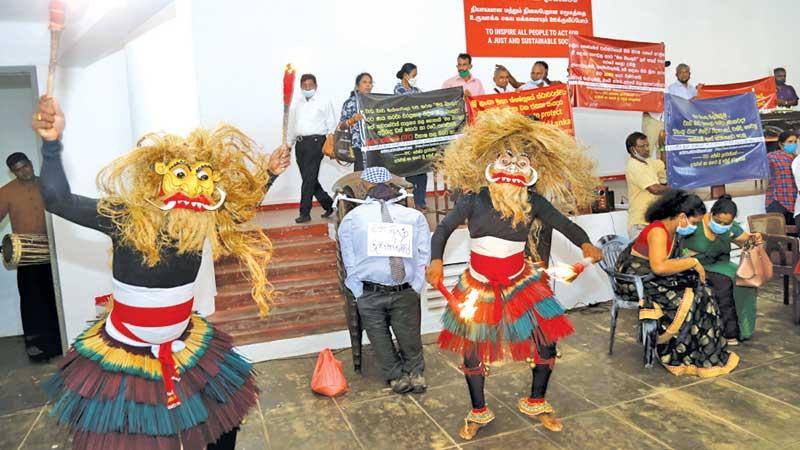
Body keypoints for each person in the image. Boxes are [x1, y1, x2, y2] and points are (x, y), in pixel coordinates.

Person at [32, 95, 291, 450]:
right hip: (124, 352)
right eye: (181, 177)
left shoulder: (203, 219)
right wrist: (51, 144)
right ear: (159, 180)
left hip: (184, 343)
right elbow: (57, 199)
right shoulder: (124, 216)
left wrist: (270, 173)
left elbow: (238, 212)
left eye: (201, 178)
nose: (192, 188)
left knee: (222, 425)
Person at [427, 108, 602, 439]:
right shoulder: (474, 199)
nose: (512, 166)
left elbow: (564, 224)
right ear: (492, 165)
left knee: (546, 345)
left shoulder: (533, 201)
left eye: (520, 161)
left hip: (521, 283)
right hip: (478, 286)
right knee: (473, 351)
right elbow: (444, 229)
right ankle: (478, 410)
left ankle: (536, 401)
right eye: (505, 159)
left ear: (531, 170)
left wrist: (586, 243)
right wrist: (436, 260)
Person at [615, 189, 739, 377]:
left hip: (653, 275)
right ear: (682, 216)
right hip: (637, 280)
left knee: (704, 292)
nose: (694, 226)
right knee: (690, 298)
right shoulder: (658, 231)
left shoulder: (673, 230)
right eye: (694, 222)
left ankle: (703, 354)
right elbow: (658, 267)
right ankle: (678, 353)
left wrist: (691, 263)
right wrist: (692, 262)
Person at [337, 167, 430, 394]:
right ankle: (395, 375)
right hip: (369, 290)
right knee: (379, 337)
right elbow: (348, 258)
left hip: (403, 288)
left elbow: (423, 254)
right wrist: (358, 289)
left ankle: (415, 372)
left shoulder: (412, 217)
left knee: (408, 334)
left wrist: (416, 284)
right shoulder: (352, 219)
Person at [0, 152, 62, 361]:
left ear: (30, 163)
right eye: (18, 169)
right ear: (12, 172)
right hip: (27, 256)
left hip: (55, 252)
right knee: (31, 300)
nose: (24, 171)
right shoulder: (6, 192)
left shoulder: (48, 184)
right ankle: (35, 345)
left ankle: (59, 341)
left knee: (55, 298)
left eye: (25, 166)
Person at [682, 195, 763, 344]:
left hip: (721, 264)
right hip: (696, 266)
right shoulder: (695, 224)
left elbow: (746, 241)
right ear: (711, 213)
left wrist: (755, 239)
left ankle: (744, 330)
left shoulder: (730, 227)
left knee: (745, 281)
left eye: (726, 223)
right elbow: (680, 248)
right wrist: (689, 255)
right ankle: (728, 332)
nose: (721, 225)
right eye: (718, 221)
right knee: (724, 284)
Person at [287, 73, 336, 223]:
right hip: (300, 144)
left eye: (310, 85)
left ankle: (305, 212)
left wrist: (330, 141)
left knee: (308, 179)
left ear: (316, 86)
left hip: (316, 142)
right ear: (301, 87)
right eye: (305, 86)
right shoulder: (297, 104)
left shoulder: (323, 102)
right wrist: (289, 144)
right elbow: (292, 126)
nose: (308, 88)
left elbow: (331, 124)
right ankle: (329, 204)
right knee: (309, 178)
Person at [394, 63, 428, 211]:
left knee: (423, 168)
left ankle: (421, 201)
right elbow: (408, 104)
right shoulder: (398, 89)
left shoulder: (417, 90)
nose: (415, 78)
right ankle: (411, 201)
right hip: (406, 134)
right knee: (411, 170)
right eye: (413, 75)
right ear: (406, 75)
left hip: (419, 134)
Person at [625, 132, 668, 239]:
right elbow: (654, 189)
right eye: (642, 146)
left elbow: (663, 164)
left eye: (647, 145)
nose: (647, 149)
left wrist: (662, 146)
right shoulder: (634, 166)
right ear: (633, 149)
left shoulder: (648, 162)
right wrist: (677, 190)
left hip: (653, 222)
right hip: (640, 224)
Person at [339, 72, 373, 171]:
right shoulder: (350, 103)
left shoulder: (375, 102)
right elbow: (341, 126)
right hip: (358, 145)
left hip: (374, 144)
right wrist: (352, 120)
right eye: (364, 82)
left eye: (370, 83)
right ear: (357, 86)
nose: (368, 85)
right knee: (360, 177)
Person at [766, 130, 798, 226]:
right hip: (778, 201)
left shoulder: (797, 159)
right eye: (790, 142)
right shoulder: (772, 157)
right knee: (777, 234)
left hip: (794, 202)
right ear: (781, 144)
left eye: (795, 142)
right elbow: (759, 165)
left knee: (792, 236)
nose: (793, 144)